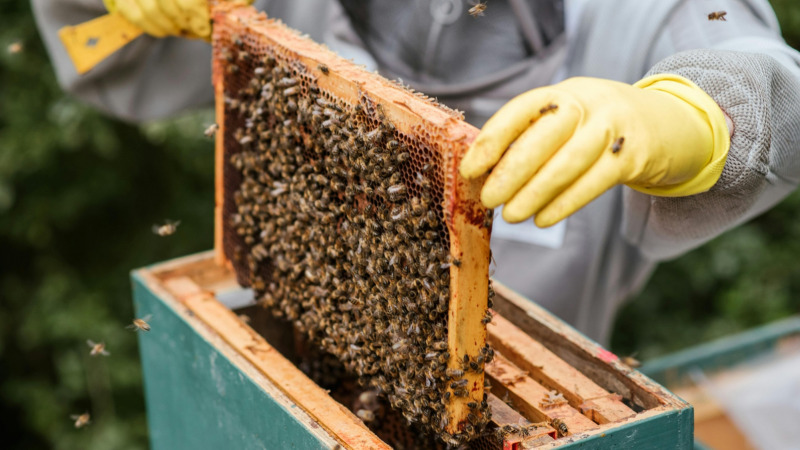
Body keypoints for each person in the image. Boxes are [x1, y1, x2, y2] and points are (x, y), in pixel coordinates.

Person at [32, 0, 800, 344]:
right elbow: (102, 51)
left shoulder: (648, 13)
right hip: (281, 364)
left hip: (512, 419)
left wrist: (693, 118)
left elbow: (773, 82)